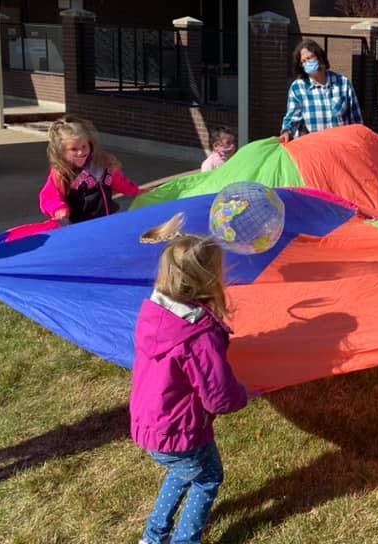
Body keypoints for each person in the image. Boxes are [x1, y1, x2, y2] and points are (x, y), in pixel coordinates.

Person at [133, 214, 249, 544]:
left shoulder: (155, 313)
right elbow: (218, 395)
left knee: (184, 469)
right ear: (207, 279)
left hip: (150, 423)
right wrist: (243, 394)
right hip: (181, 429)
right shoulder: (198, 335)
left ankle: (153, 537)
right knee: (208, 478)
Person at [39, 115, 144, 224]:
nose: (81, 152)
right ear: (61, 152)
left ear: (90, 143)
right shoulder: (62, 173)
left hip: (107, 220)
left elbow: (120, 182)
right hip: (82, 225)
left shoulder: (103, 164)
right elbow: (49, 196)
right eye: (74, 149)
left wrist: (136, 191)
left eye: (84, 146)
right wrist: (58, 209)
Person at [279, 39, 363, 142]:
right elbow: (292, 118)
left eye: (309, 58)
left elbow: (356, 120)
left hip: (340, 146)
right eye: (303, 61)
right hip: (314, 148)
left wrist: (360, 139)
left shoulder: (343, 83)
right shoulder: (298, 88)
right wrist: (286, 132)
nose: (307, 63)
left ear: (320, 57)